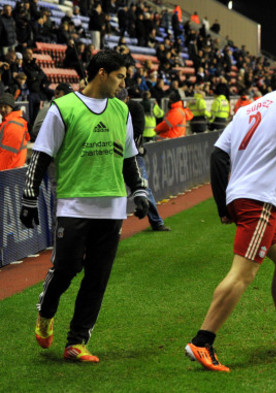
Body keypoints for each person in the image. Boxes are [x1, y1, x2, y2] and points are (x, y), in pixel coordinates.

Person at [184, 65, 276, 372]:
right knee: (243, 273)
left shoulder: (247, 109)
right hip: (260, 198)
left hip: (243, 196)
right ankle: (202, 341)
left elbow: (218, 156)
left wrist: (225, 206)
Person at [22, 50, 150, 363]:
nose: (123, 83)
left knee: (97, 278)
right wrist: (28, 196)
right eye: (120, 76)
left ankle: (76, 342)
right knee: (65, 269)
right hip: (73, 205)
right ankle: (46, 310)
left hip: (112, 208)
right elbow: (42, 155)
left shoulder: (121, 110)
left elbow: (129, 157)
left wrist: (141, 190)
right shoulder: (63, 108)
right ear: (102, 73)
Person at [118, 88, 170, 232]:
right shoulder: (111, 108)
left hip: (134, 154)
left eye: (121, 101)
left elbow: (137, 132)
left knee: (143, 186)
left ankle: (157, 222)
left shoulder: (135, 108)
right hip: (114, 155)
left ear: (127, 99)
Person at [0, 93, 29, 170]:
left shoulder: (13, 125)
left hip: (9, 173)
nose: (2, 109)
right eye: (0, 107)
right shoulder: (8, 122)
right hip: (12, 170)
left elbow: (7, 156)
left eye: (5, 106)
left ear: (12, 107)